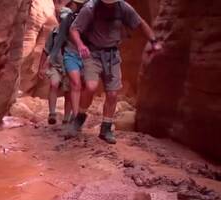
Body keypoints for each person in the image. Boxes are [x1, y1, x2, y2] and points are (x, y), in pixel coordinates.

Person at [68, 0, 163, 143]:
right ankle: (80, 117)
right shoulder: (90, 8)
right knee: (91, 86)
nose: (110, 5)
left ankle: (106, 128)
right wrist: (81, 45)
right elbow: (74, 29)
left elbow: (140, 23)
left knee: (112, 93)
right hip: (93, 53)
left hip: (112, 55)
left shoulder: (122, 7)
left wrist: (154, 41)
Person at [38, 0, 87, 125]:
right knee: (54, 84)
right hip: (55, 63)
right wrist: (41, 68)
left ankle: (66, 117)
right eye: (61, 18)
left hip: (69, 65)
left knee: (68, 91)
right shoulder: (54, 33)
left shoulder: (75, 33)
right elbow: (46, 50)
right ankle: (52, 113)